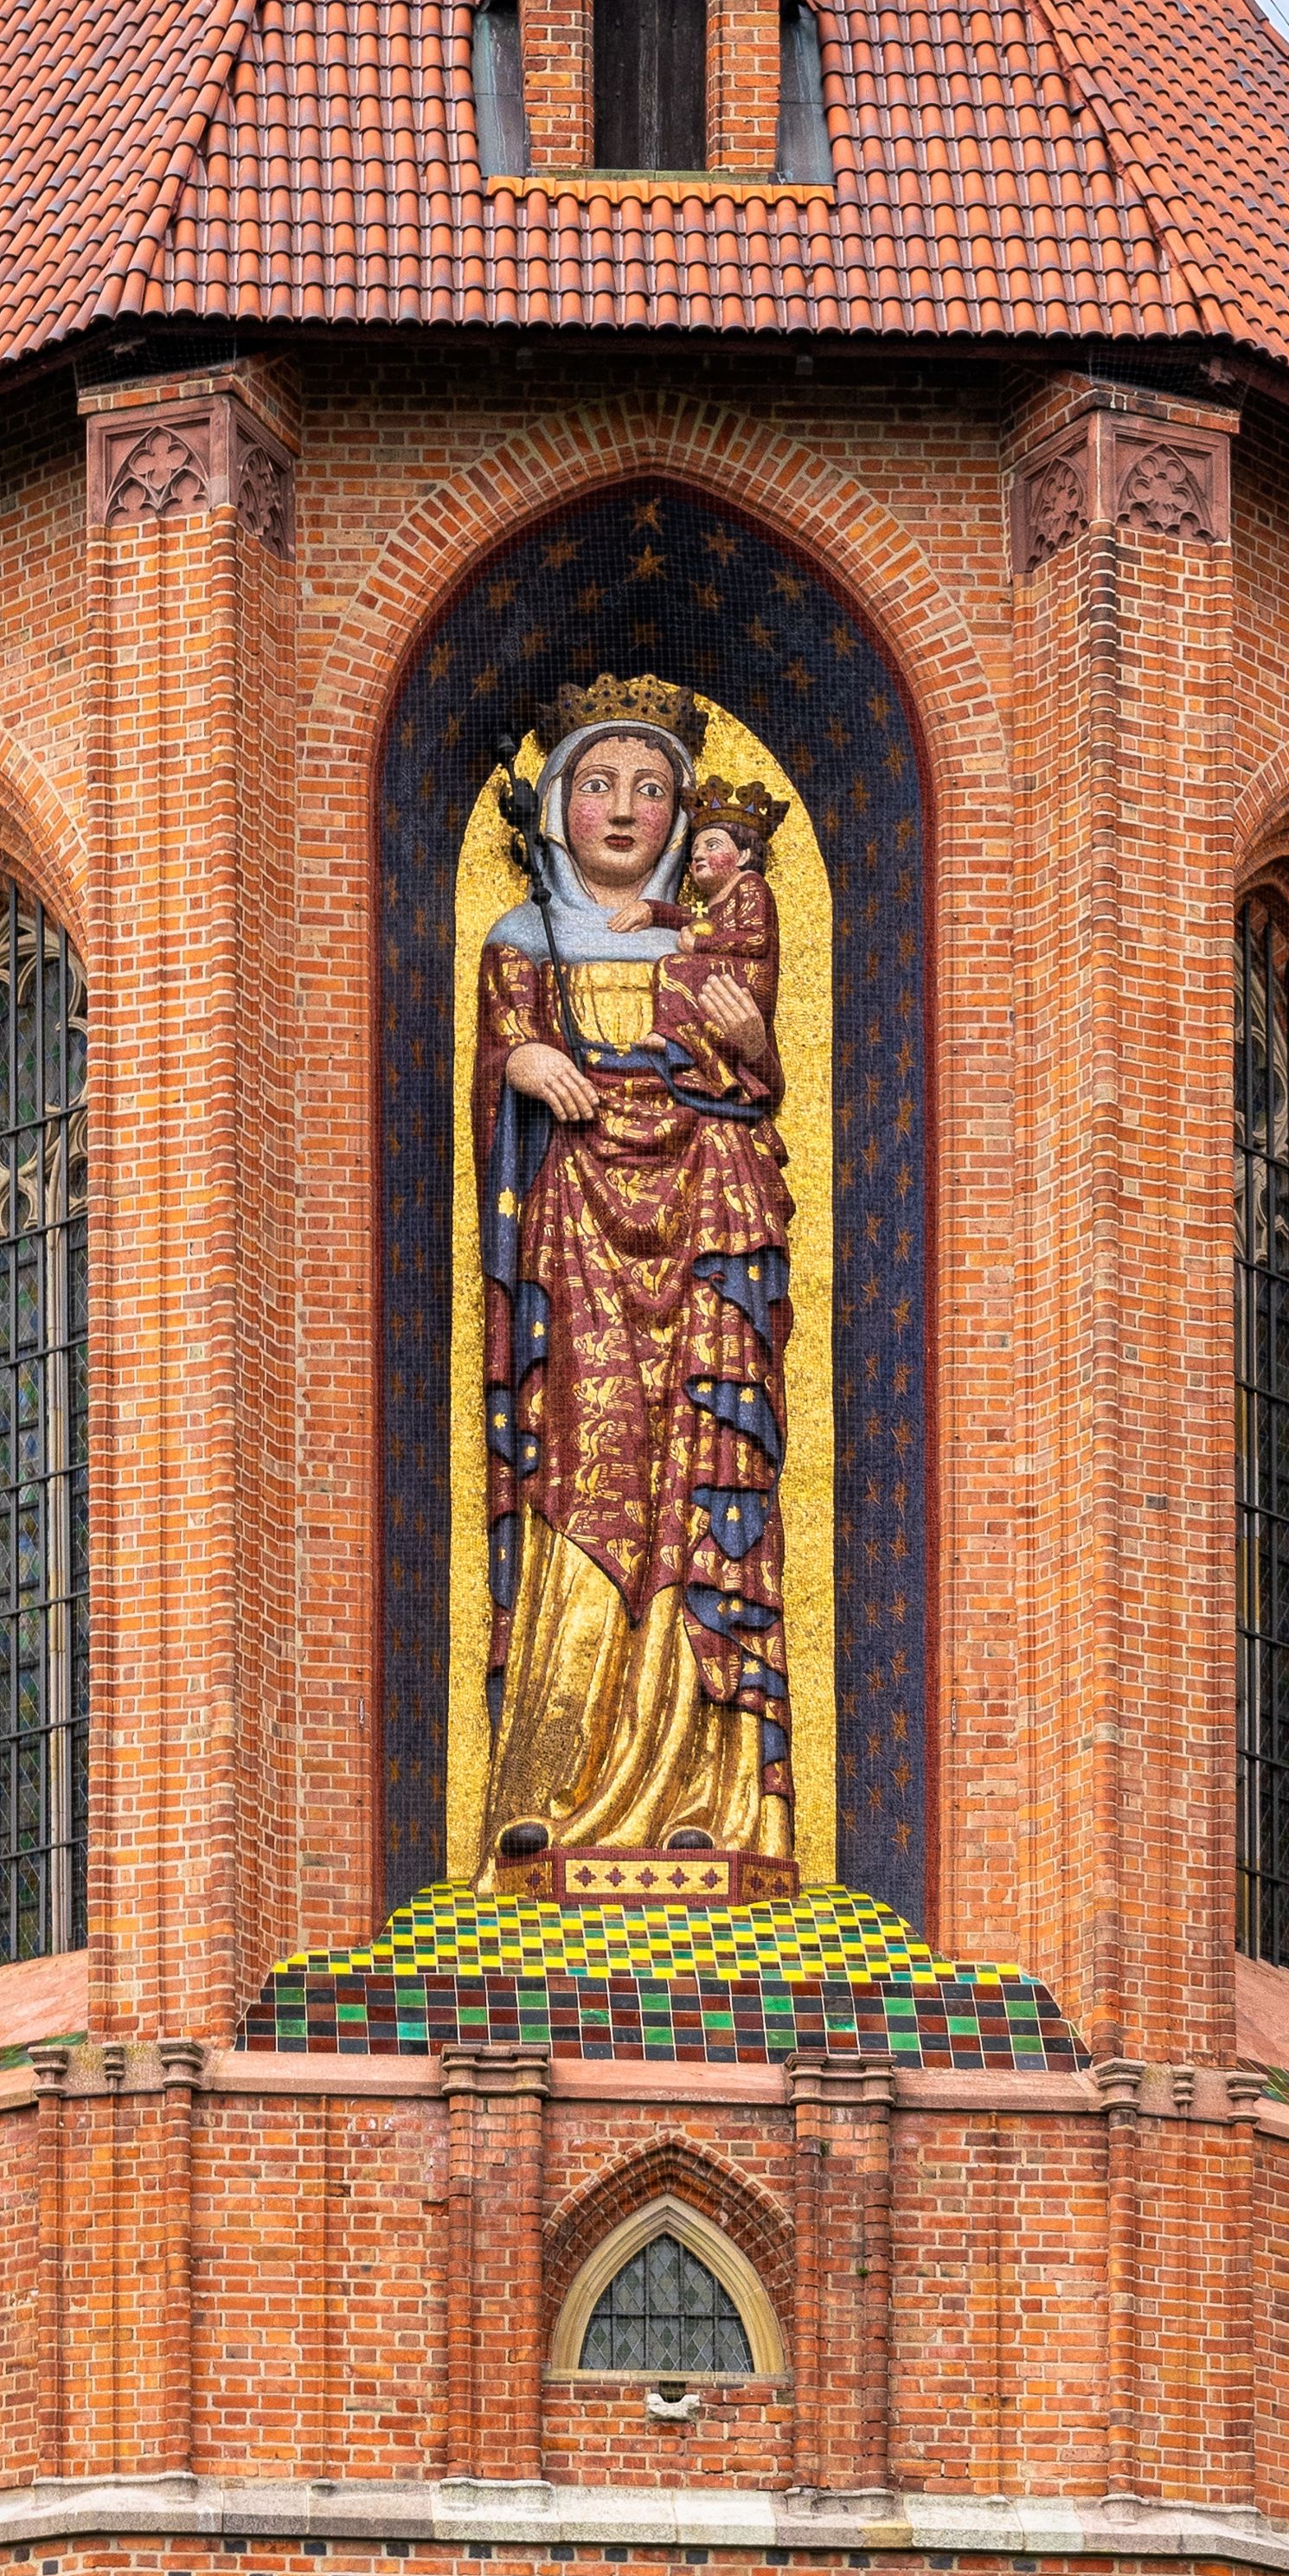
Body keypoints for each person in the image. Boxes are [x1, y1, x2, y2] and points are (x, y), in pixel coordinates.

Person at [472, 682, 797, 1890]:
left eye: (651, 787)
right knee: (587, 1468)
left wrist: (755, 1045)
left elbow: (752, 1079)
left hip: (706, 1207)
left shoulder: (717, 935)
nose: (625, 807)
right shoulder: (520, 939)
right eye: (600, 782)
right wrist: (523, 1056)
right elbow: (495, 1076)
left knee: (693, 1478)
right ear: (558, 801)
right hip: (578, 1231)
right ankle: (549, 1791)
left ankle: (702, 1796)